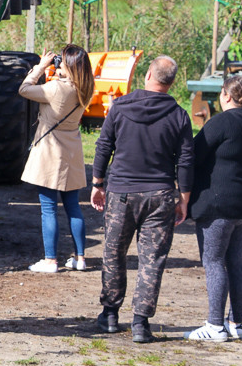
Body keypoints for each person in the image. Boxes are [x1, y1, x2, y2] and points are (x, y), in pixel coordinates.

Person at [90, 55, 193, 344]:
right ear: (171, 82)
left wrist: (98, 183)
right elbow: (185, 160)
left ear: (148, 75)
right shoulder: (179, 115)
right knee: (152, 259)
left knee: (113, 253)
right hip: (160, 195)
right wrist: (183, 197)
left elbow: (103, 146)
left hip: (121, 192)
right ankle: (140, 323)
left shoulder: (120, 107)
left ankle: (110, 314)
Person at [184, 75, 242, 342]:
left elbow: (194, 153)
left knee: (214, 261)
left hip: (219, 202)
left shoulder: (221, 121)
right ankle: (236, 323)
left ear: (226, 96)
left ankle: (215, 326)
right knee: (236, 261)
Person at [20, 45, 95, 273]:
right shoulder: (86, 88)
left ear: (70, 66)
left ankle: (50, 260)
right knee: (73, 207)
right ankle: (80, 258)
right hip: (72, 151)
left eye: (61, 62)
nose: (58, 64)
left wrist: (41, 67)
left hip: (50, 153)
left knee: (49, 208)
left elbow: (24, 89)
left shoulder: (54, 89)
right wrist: (58, 73)